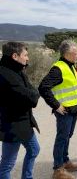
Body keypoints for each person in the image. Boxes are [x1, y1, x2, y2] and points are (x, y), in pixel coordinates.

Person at [39, 40, 77, 179]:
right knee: (62, 138)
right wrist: (56, 105)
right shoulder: (58, 68)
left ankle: (65, 161)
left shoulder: (71, 66)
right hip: (64, 111)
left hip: (73, 109)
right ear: (68, 54)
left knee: (66, 137)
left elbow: (76, 87)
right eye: (76, 53)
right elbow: (43, 87)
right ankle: (58, 170)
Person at [0, 42, 40, 179]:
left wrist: (33, 94)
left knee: (34, 149)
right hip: (12, 126)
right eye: (25, 55)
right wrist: (33, 94)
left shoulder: (17, 70)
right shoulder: (5, 74)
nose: (28, 58)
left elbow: (32, 92)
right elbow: (32, 98)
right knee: (7, 164)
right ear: (15, 56)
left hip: (24, 123)